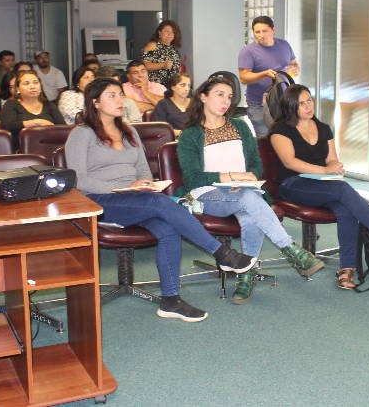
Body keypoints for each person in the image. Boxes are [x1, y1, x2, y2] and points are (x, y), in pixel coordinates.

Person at [64, 77, 257, 322]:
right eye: (111, 95)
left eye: (119, 94)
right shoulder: (82, 134)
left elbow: (144, 171)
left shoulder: (129, 130)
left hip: (136, 198)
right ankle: (221, 253)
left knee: (168, 228)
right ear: (95, 103)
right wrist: (123, 187)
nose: (119, 100)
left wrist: (145, 184)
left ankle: (170, 300)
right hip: (101, 201)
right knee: (161, 203)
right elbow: (78, 180)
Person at [177, 75, 323, 304]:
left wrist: (249, 177)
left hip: (244, 190)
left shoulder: (239, 126)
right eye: (219, 95)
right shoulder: (191, 135)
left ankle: (246, 273)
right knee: (248, 199)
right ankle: (291, 249)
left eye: (230, 97)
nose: (226, 101)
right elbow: (193, 178)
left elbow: (255, 163)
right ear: (203, 97)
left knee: (249, 214)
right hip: (206, 193)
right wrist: (230, 177)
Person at [269, 85, 369, 289]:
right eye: (301, 103)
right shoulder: (280, 130)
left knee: (346, 208)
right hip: (293, 185)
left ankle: (346, 269)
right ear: (291, 106)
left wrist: (334, 167)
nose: (307, 106)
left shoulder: (323, 128)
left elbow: (332, 159)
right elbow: (290, 162)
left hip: (323, 186)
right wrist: (324, 171)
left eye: (309, 101)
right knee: (343, 190)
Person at [238, 16, 300, 135]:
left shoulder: (284, 45)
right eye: (257, 32)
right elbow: (244, 78)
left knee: (285, 139)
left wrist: (295, 69)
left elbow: (294, 64)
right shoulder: (248, 51)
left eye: (264, 31)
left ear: (273, 30)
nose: (261, 35)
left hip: (284, 102)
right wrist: (264, 74)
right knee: (266, 142)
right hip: (259, 104)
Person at [0, 70, 65, 147]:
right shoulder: (11, 104)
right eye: (26, 83)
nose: (32, 87)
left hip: (51, 147)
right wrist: (36, 122)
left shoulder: (49, 105)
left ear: (40, 87)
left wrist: (51, 126)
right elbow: (8, 126)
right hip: (23, 149)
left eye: (36, 82)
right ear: (17, 89)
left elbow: (63, 128)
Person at [141, 20, 182, 87]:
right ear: (159, 33)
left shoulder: (173, 48)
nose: (170, 34)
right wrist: (163, 64)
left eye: (173, 32)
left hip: (173, 85)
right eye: (167, 31)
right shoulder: (152, 45)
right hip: (157, 86)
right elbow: (145, 66)